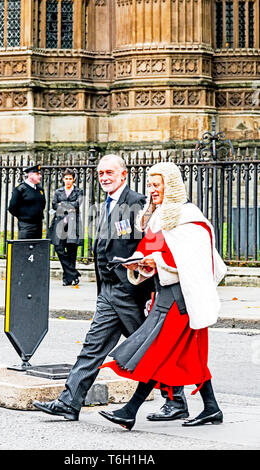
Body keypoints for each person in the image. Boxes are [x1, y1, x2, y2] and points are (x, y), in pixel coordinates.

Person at [33, 154, 165, 420]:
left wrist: (150, 292)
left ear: (123, 175)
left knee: (150, 348)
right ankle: (69, 403)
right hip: (108, 290)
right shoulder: (106, 203)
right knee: (92, 347)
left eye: (110, 173)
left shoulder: (137, 203)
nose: (104, 177)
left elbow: (149, 246)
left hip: (130, 292)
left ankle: (181, 398)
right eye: (101, 173)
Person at [98, 161, 227, 430]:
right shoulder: (157, 217)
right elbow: (150, 251)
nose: (152, 189)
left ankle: (129, 410)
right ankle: (211, 408)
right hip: (165, 296)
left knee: (155, 353)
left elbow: (192, 260)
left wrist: (157, 263)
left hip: (182, 299)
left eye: (157, 184)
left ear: (172, 186)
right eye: (150, 184)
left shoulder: (189, 217)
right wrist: (138, 264)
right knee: (191, 357)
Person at [48, 169, 83, 286]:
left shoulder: (79, 191)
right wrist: (69, 206)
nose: (68, 181)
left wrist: (61, 204)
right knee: (59, 248)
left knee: (72, 250)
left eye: (70, 178)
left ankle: (67, 278)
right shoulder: (58, 191)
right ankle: (73, 274)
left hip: (73, 224)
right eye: (66, 178)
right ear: (63, 179)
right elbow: (54, 204)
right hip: (60, 224)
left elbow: (78, 204)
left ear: (73, 179)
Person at [8, 164, 46, 239]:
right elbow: (12, 207)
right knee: (24, 247)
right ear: (30, 175)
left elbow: (43, 204)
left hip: (38, 224)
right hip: (26, 225)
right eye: (37, 174)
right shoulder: (20, 189)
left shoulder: (40, 189)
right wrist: (23, 217)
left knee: (37, 247)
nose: (40, 176)